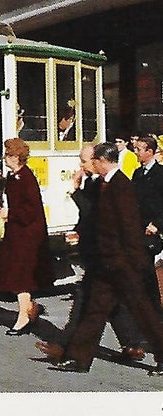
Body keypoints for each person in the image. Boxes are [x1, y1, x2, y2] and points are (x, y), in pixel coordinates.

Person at [52, 142, 163, 375]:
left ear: (103, 161)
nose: (91, 165)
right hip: (107, 264)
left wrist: (136, 262)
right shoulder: (104, 184)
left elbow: (129, 226)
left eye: (94, 161)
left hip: (123, 263)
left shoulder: (121, 185)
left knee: (143, 312)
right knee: (95, 309)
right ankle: (78, 359)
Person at [36, 144, 145, 362]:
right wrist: (77, 231)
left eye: (85, 161)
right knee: (111, 301)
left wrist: (76, 190)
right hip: (97, 251)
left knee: (85, 301)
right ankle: (132, 344)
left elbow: (93, 212)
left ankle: (66, 346)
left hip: (105, 254)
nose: (82, 165)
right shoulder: (95, 182)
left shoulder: (106, 183)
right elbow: (88, 218)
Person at [0, 137, 54, 335]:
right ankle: (29, 310)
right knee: (17, 275)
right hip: (17, 234)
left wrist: (10, 214)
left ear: (16, 157)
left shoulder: (26, 178)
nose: (5, 158)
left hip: (27, 237)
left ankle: (24, 316)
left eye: (8, 155)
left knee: (20, 277)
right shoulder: (14, 177)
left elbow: (31, 210)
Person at [132, 135, 163, 307]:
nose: (135, 152)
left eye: (138, 149)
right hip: (137, 228)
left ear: (149, 152)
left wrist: (157, 224)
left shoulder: (160, 174)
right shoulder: (137, 173)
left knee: (148, 269)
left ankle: (154, 308)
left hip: (151, 230)